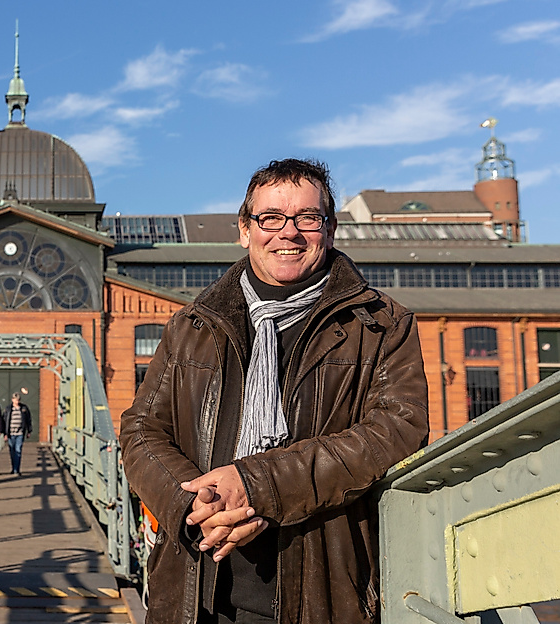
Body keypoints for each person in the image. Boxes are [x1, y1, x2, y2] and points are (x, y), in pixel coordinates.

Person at [119, 158, 429, 624]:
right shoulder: (192, 326)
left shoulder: (382, 324)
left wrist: (255, 486)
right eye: (270, 218)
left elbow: (394, 431)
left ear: (330, 228)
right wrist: (194, 505)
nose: (289, 233)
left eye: (307, 218)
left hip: (321, 588)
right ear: (245, 230)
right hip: (197, 585)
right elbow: (141, 430)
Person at [4, 392, 32, 476]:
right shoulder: (8, 409)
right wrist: (5, 433)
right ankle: (14, 468)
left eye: (18, 400)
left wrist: (29, 431)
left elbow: (28, 420)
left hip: (20, 433)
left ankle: (17, 469)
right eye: (15, 399)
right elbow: (4, 421)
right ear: (12, 400)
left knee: (18, 450)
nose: (17, 401)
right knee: (12, 451)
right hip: (10, 433)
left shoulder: (24, 408)